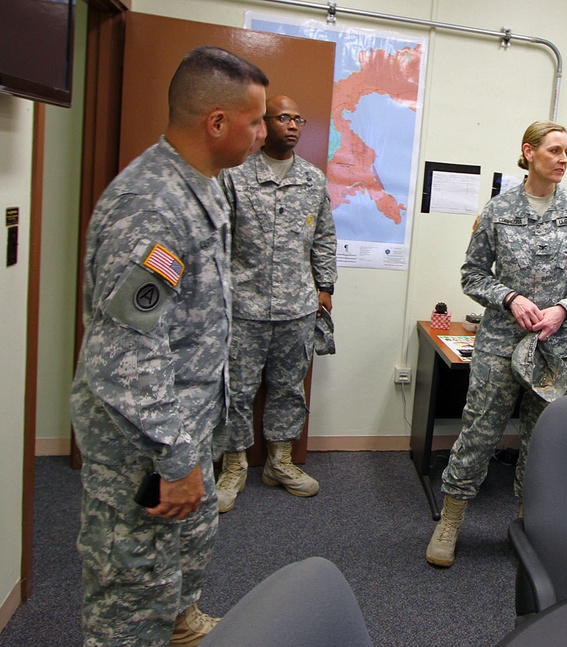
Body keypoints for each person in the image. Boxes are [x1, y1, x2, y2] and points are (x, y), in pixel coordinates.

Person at [71, 46, 268, 646]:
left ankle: (181, 625)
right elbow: (124, 355)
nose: (264, 132)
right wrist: (174, 456)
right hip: (145, 444)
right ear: (216, 123)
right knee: (132, 598)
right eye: (255, 120)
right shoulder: (152, 209)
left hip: (186, 424)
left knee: (185, 557)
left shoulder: (204, 185)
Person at [425, 120, 567, 568]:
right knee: (479, 433)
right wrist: (509, 297)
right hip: (500, 345)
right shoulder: (497, 210)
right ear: (528, 153)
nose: (564, 159)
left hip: (557, 346)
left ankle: (532, 525)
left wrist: (564, 308)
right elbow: (472, 275)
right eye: (554, 150)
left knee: (544, 441)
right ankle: (450, 521)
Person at [214, 95, 338, 512]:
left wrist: (326, 287)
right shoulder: (233, 177)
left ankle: (279, 462)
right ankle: (233, 467)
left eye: (298, 118)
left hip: (297, 307)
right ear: (263, 124)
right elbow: (217, 240)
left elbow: (323, 236)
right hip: (242, 307)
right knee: (237, 390)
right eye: (283, 117)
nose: (293, 125)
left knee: (288, 390)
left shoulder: (313, 180)